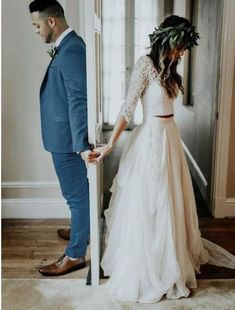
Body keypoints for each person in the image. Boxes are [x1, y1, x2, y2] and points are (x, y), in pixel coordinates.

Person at [93, 15, 235, 303]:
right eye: (179, 47)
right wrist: (109, 146)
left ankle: (172, 258)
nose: (181, 53)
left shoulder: (172, 67)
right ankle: (151, 265)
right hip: (152, 139)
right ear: (167, 40)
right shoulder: (146, 65)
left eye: (184, 48)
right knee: (151, 202)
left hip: (171, 136)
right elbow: (127, 107)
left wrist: (175, 62)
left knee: (172, 200)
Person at [29, 0, 98, 276]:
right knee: (77, 197)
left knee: (76, 197)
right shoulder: (68, 47)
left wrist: (80, 144)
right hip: (62, 136)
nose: (36, 31)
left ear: (51, 21)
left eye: (36, 25)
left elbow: (77, 99)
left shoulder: (71, 50)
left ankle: (75, 254)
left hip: (69, 140)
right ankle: (81, 228)